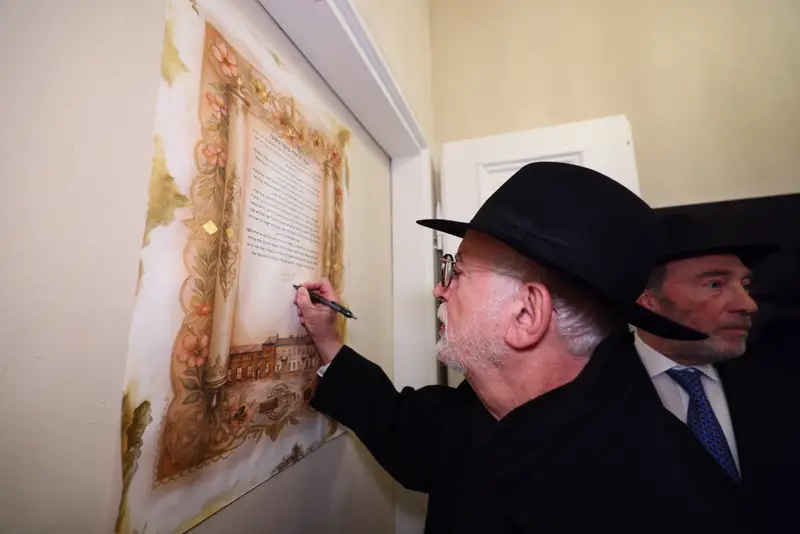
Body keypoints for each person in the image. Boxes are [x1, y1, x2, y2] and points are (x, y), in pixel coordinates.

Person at [294, 163, 746, 533]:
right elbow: (410, 434)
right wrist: (328, 340)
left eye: (457, 272)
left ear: (527, 314)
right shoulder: (498, 405)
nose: (440, 289)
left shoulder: (662, 501)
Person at [635, 214, 799, 532]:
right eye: (715, 284)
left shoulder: (781, 388)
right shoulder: (588, 396)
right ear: (648, 300)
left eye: (745, 285)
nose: (748, 304)